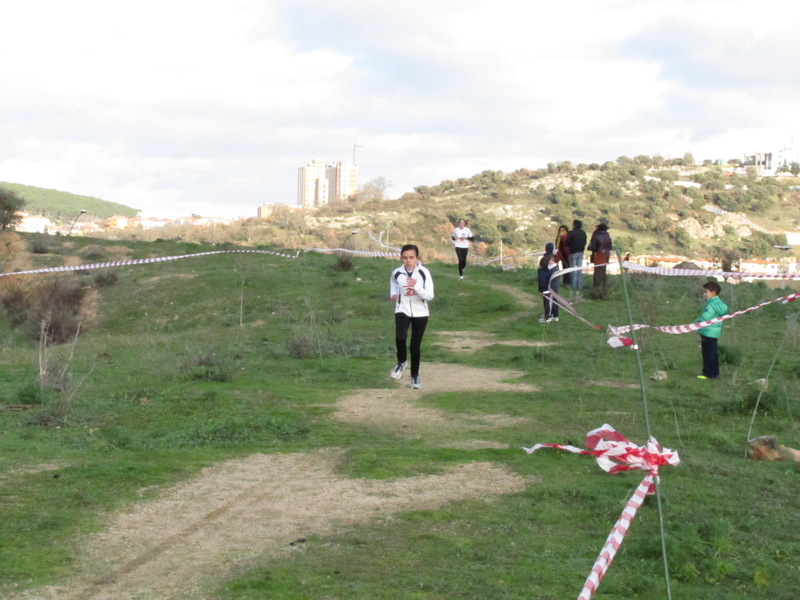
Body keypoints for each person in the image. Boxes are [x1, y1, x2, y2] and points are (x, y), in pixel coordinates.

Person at [389, 244, 435, 389]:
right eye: (405, 258)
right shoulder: (397, 272)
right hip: (402, 309)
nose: (408, 260)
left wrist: (416, 286)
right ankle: (401, 361)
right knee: (400, 337)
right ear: (401, 258)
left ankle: (415, 377)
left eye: (411, 257)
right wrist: (393, 294)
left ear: (417, 258)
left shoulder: (423, 273)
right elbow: (393, 283)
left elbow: (430, 295)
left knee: (415, 345)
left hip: (420, 312)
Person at [695, 281, 728, 380]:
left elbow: (705, 317)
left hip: (707, 332)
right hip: (714, 332)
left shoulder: (711, 305)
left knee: (707, 354)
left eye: (706, 292)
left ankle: (707, 374)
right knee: (713, 353)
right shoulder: (719, 304)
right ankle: (715, 373)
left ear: (713, 293)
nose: (704, 294)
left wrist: (696, 322)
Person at [537, 242, 560, 323]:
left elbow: (542, 280)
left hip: (549, 288)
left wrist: (542, 290)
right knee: (553, 301)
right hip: (554, 286)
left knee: (548, 303)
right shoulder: (555, 263)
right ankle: (555, 315)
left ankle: (548, 317)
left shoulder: (544, 268)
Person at [588, 223, 612, 291]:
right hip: (606, 254)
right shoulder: (608, 235)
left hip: (599, 254)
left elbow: (593, 247)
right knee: (603, 270)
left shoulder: (596, 235)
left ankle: (597, 287)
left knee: (597, 271)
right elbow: (610, 246)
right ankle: (603, 286)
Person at [566, 220, 587, 291]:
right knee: (579, 269)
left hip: (573, 252)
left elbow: (567, 243)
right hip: (581, 252)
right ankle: (580, 286)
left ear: (574, 225)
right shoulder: (583, 233)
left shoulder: (571, 233)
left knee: (573, 269)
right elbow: (585, 242)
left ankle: (573, 286)